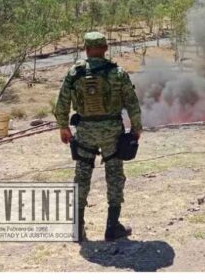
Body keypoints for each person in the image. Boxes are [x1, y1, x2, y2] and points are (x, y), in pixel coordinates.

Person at [53, 31, 142, 242]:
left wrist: (63, 127)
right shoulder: (117, 72)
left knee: (82, 176)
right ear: (105, 48)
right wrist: (136, 128)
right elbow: (132, 102)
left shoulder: (74, 73)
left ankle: (77, 228)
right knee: (114, 176)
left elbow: (62, 103)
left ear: (86, 49)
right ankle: (113, 227)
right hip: (112, 132)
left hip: (85, 131)